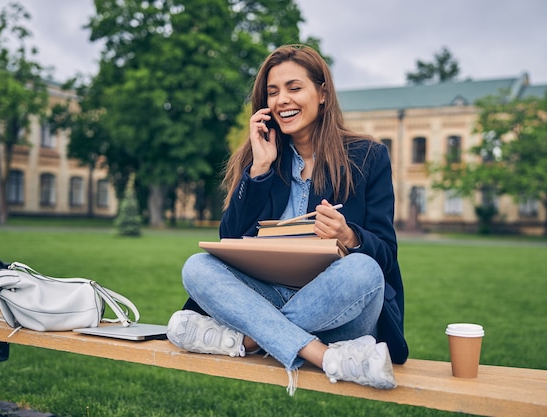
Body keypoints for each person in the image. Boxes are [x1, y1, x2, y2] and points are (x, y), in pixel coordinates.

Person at [167, 44, 408, 394]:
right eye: (273, 91)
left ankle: (249, 341)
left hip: (340, 312)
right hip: (270, 298)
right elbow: (229, 237)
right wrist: (260, 170)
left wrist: (350, 237)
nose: (282, 100)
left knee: (365, 269)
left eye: (294, 88)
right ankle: (325, 356)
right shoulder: (262, 157)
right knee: (196, 266)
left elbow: (386, 255)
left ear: (322, 93)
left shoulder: (368, 156)